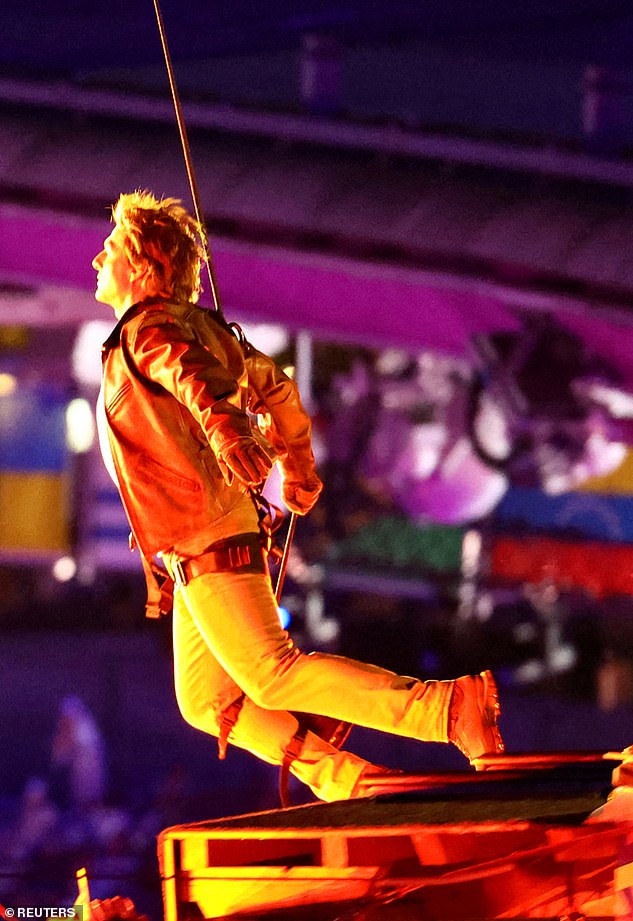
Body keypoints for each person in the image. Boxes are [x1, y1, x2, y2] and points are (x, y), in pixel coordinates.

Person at [93, 190, 504, 803]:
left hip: (207, 531)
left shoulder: (147, 330)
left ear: (143, 265)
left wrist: (232, 433)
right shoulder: (197, 328)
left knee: (271, 673)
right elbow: (276, 390)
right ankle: (349, 779)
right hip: (198, 537)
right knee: (206, 701)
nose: (97, 258)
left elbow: (191, 379)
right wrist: (298, 465)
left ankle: (445, 709)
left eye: (110, 247)